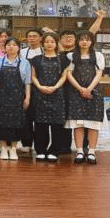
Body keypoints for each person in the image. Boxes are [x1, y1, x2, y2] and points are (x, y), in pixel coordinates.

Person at [64, 30, 105, 164]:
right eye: (82, 39)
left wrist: (89, 89)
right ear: (77, 41)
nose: (84, 42)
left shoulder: (98, 55)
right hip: (76, 92)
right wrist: (80, 88)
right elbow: (68, 74)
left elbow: (99, 74)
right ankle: (80, 151)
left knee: (93, 124)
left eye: (87, 39)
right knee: (78, 123)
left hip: (94, 93)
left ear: (92, 42)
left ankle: (92, 152)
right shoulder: (71, 56)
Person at [0, 37, 31, 161]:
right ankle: (3, 148)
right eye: (9, 45)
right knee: (0, 122)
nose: (11, 47)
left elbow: (27, 82)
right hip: (1, 96)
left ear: (19, 47)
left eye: (14, 45)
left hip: (18, 97)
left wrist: (27, 97)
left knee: (16, 123)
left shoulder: (25, 63)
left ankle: (13, 148)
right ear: (5, 47)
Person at [30, 33, 67, 161]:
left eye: (52, 42)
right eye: (47, 42)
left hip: (57, 94)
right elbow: (33, 76)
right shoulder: (36, 59)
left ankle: (54, 150)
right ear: (42, 43)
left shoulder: (63, 59)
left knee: (57, 124)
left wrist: (55, 87)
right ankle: (40, 150)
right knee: (40, 124)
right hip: (40, 94)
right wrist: (40, 86)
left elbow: (64, 76)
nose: (49, 44)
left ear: (56, 44)